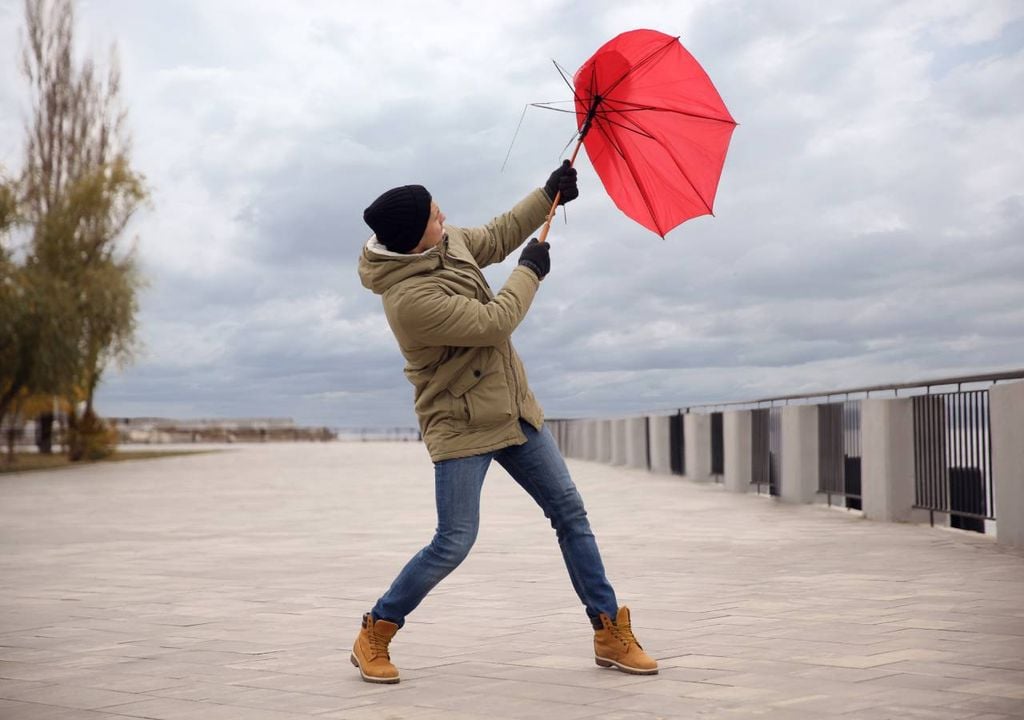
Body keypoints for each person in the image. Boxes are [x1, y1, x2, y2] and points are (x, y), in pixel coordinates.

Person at [353, 162, 657, 684]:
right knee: (454, 541)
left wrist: (547, 195)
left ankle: (608, 630)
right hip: (461, 423)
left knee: (570, 513)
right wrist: (531, 269)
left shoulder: (445, 243)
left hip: (512, 408)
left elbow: (495, 235)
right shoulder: (408, 300)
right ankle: (377, 629)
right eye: (433, 215)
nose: (443, 216)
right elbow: (495, 323)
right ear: (410, 240)